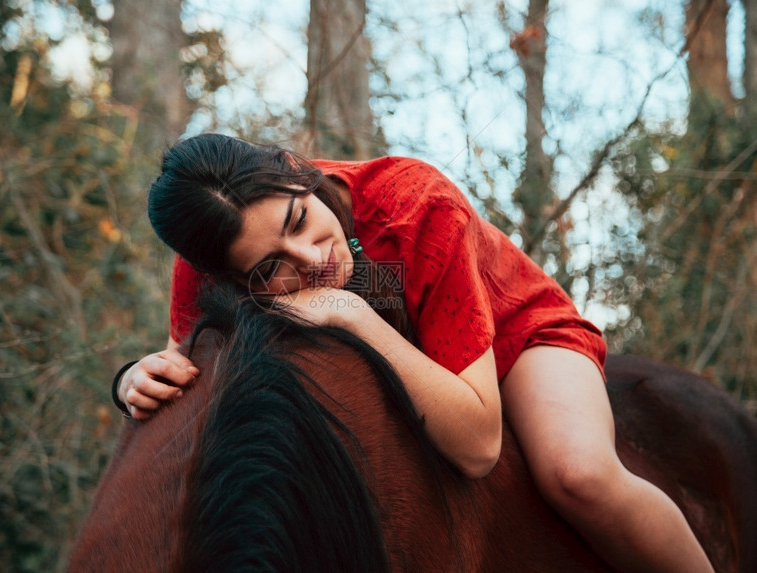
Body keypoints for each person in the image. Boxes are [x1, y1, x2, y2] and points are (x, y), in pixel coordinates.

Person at [113, 133, 712, 572]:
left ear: (295, 170)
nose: (311, 259)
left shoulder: (414, 203)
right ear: (230, 277)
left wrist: (352, 315)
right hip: (410, 355)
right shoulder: (212, 261)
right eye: (272, 268)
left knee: (578, 474)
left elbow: (478, 448)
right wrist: (132, 380)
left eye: (299, 219)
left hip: (516, 335)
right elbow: (186, 373)